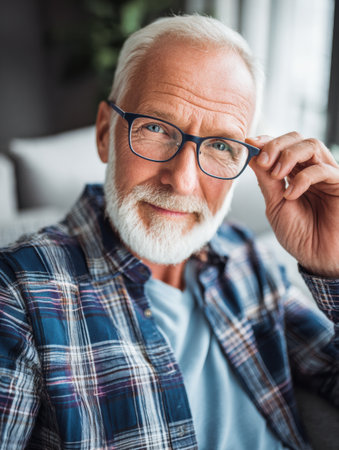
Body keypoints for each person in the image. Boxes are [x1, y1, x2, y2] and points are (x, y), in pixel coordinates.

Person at [0, 14, 338, 450]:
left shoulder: (244, 257)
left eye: (220, 145)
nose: (181, 180)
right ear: (106, 134)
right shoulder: (19, 292)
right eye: (156, 128)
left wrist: (332, 269)